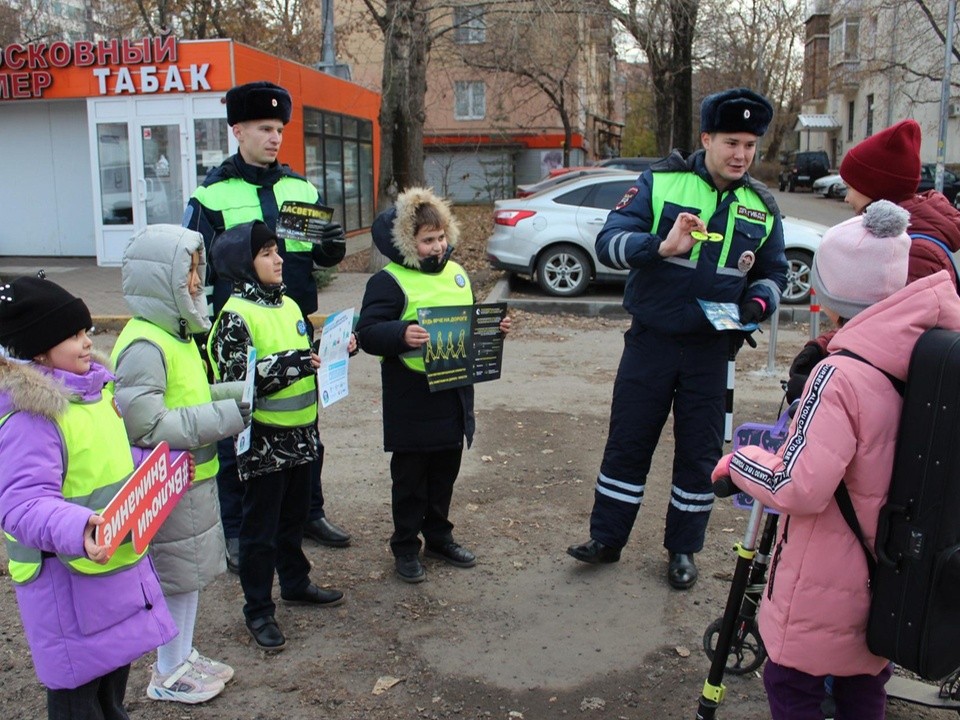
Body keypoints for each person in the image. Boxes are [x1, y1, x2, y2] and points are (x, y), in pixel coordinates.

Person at [711, 200, 960, 719]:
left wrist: (739, 463)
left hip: (825, 575)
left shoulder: (839, 375)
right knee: (862, 685)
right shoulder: (930, 356)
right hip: (893, 569)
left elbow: (798, 487)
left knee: (791, 681)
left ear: (828, 297)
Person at [566, 87, 788, 590]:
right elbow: (608, 241)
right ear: (706, 138)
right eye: (731, 142)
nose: (740, 155)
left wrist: (756, 305)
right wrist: (659, 246)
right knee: (628, 440)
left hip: (713, 351)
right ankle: (607, 539)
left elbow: (777, 274)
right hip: (652, 341)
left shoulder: (762, 204)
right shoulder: (662, 181)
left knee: (699, 455)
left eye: (750, 146)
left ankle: (683, 550)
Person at [183, 81, 351, 572]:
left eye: (280, 129)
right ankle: (237, 530)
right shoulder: (211, 193)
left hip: (293, 327)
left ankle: (307, 514)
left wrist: (332, 247)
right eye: (264, 128)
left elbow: (317, 257)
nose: (275, 138)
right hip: (238, 332)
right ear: (238, 130)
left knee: (303, 424)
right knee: (238, 434)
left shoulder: (300, 188)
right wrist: (196, 331)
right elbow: (191, 268)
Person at [0, 275, 177, 719]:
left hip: (109, 566)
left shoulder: (94, 394)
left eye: (85, 332)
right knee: (78, 697)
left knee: (111, 683)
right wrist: (78, 527)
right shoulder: (32, 417)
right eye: (72, 335)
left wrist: (156, 467)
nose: (85, 342)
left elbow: (109, 459)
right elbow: (20, 504)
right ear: (38, 349)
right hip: (65, 581)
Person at [111, 225, 252, 703]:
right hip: (168, 483)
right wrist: (226, 415)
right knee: (176, 577)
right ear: (161, 278)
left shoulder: (174, 333)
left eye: (197, 269)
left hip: (191, 476)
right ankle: (168, 672)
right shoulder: (145, 345)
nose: (197, 281)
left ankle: (183, 654)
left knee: (188, 574)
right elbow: (146, 426)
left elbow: (185, 398)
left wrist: (233, 396)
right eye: (187, 270)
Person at [355, 187, 511, 583]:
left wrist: (494, 330)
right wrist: (402, 333)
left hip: (453, 392)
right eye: (427, 240)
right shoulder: (389, 281)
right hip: (411, 397)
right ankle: (406, 546)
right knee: (410, 480)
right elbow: (368, 332)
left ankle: (439, 536)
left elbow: (470, 322)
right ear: (408, 242)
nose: (438, 246)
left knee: (445, 472)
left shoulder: (458, 273)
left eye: (441, 237)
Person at [207, 220, 346, 651]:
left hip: (303, 435)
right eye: (266, 253)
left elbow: (301, 355)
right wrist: (297, 362)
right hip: (264, 442)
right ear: (243, 264)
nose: (278, 258)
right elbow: (235, 386)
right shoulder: (234, 317)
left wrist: (333, 348)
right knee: (259, 532)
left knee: (293, 520)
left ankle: (296, 583)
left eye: (277, 250)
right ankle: (258, 611)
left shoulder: (287, 304)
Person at [787, 118, 960, 401]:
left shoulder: (913, 250)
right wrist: (823, 347)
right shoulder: (903, 240)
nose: (846, 198)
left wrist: (828, 363)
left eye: (852, 187)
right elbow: (875, 321)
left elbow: (894, 338)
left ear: (877, 192)